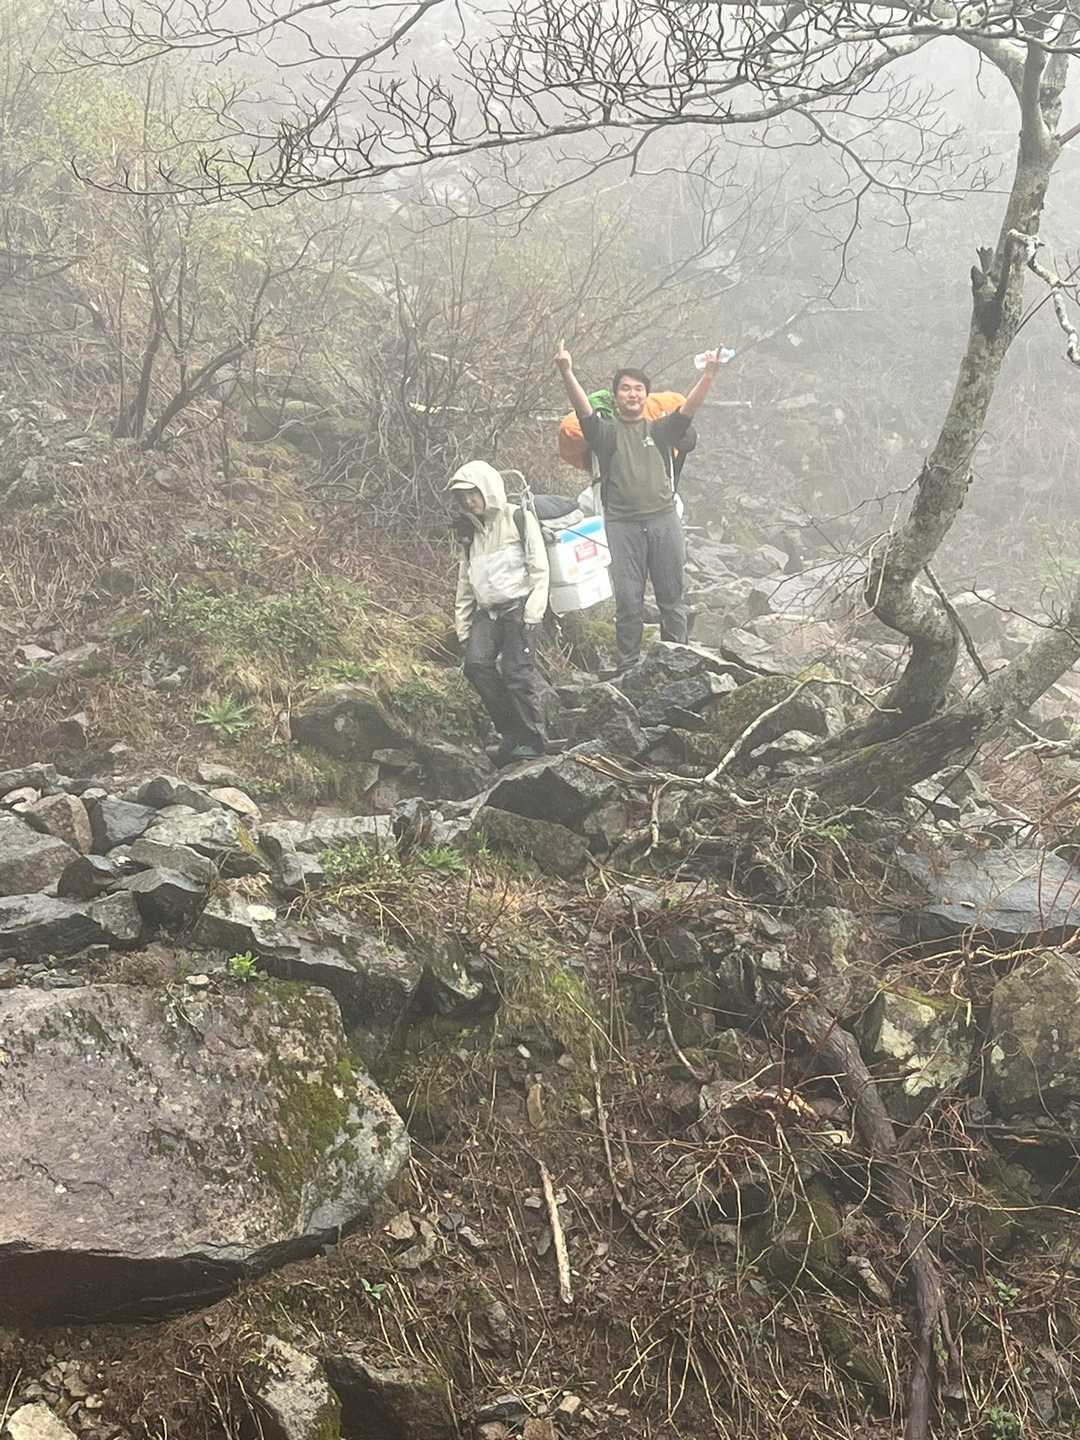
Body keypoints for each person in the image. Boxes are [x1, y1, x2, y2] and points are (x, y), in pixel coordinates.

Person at [554, 343, 727, 671]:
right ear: (616, 396)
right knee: (628, 600)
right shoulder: (605, 433)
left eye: (638, 389)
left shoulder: (660, 429)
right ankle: (628, 667)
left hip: (663, 521)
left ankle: (677, 662)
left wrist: (708, 375)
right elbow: (583, 411)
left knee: (671, 597)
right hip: (622, 526)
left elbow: (689, 409)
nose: (632, 394)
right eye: (625, 389)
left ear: (646, 396)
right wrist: (566, 371)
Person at [447, 459, 550, 762]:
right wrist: (463, 627)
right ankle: (511, 734)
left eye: (473, 493)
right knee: (476, 666)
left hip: (519, 608)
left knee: (517, 674)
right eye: (463, 496)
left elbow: (539, 568)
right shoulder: (470, 533)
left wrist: (533, 613)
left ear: (487, 489)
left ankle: (534, 742)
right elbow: (465, 582)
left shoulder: (517, 518)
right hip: (487, 612)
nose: (469, 501)